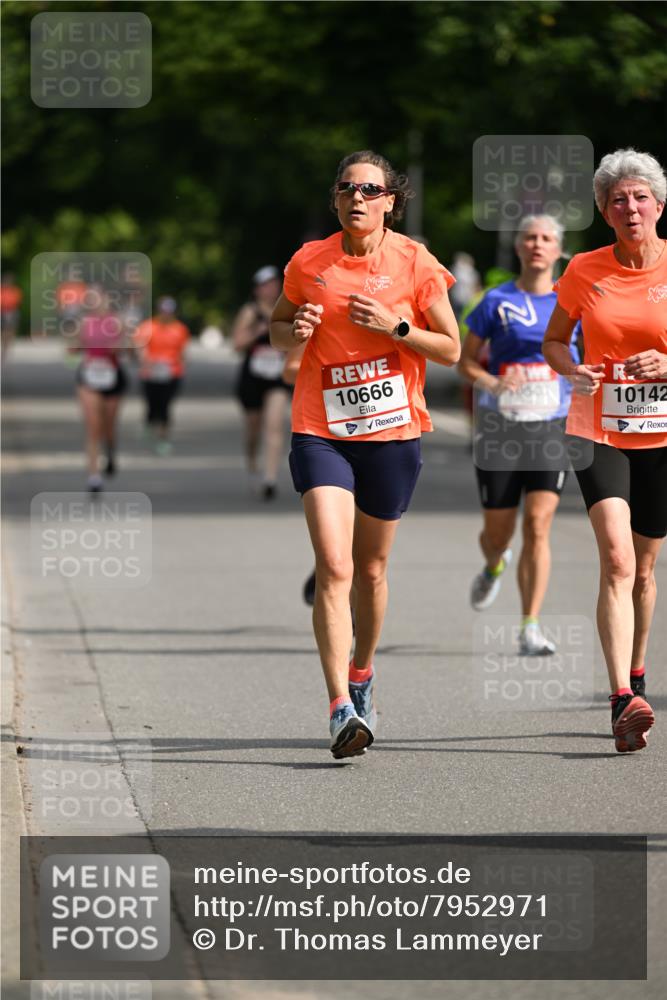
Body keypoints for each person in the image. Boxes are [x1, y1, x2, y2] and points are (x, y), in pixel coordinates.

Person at [270, 150, 460, 759]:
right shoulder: (309, 261)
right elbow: (277, 327)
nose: (357, 197)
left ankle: (362, 673)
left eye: (370, 190)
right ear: (336, 200)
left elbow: (451, 348)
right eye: (347, 188)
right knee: (335, 565)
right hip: (320, 429)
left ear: (390, 201)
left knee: (371, 570)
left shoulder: (414, 261)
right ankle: (338, 708)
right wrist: (294, 331)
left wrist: (396, 327)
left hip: (391, 433)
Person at [543, 148, 666, 754]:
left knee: (644, 567)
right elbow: (554, 341)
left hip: (662, 434)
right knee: (617, 560)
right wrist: (572, 369)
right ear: (603, 211)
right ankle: (621, 698)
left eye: (640, 197)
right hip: (597, 428)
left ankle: (636, 671)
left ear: (659, 205)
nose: (630, 208)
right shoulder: (584, 269)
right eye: (618, 200)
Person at [459, 215, 579, 655]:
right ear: (518, 247)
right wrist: (491, 383)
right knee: (498, 534)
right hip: (501, 428)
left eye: (547, 238)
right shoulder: (496, 300)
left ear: (558, 249)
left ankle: (530, 626)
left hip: (551, 424)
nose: (537, 244)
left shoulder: (573, 302)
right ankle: (494, 564)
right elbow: (465, 361)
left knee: (538, 524)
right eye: (530, 237)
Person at [232, 265, 290, 499]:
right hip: (253, 377)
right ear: (257, 289)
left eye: (274, 284)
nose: (271, 289)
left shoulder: (286, 309)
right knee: (254, 427)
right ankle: (252, 459)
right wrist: (257, 331)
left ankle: (270, 478)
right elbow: (237, 344)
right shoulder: (250, 311)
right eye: (265, 285)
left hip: (277, 376)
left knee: (274, 424)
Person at [72, 286, 128, 493]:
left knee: (109, 426)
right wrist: (75, 342)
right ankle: (94, 477)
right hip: (89, 376)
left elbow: (130, 349)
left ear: (107, 299)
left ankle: (110, 449)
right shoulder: (84, 322)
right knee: (93, 427)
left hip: (112, 376)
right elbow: (71, 349)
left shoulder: (117, 321)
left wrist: (120, 346)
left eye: (98, 298)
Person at [133, 296, 190, 454]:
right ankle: (149, 421)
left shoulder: (180, 329)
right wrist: (146, 359)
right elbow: (140, 347)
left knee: (165, 405)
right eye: (164, 311)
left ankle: (163, 438)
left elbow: (184, 352)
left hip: (171, 373)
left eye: (169, 311)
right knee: (152, 403)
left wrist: (180, 362)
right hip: (150, 372)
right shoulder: (148, 326)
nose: (166, 314)